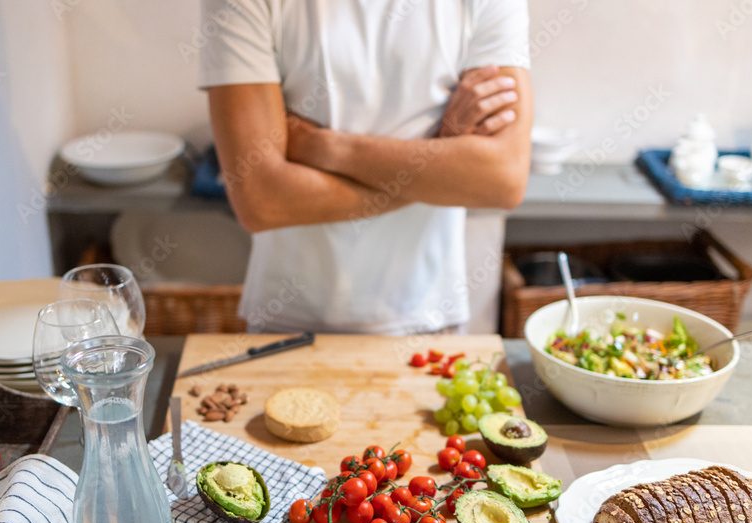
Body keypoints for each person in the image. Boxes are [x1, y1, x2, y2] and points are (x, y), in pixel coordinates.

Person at [200, 0, 532, 335]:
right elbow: (262, 200)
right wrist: (441, 161)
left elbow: (504, 179)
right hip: (288, 321)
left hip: (427, 318)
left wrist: (327, 147)